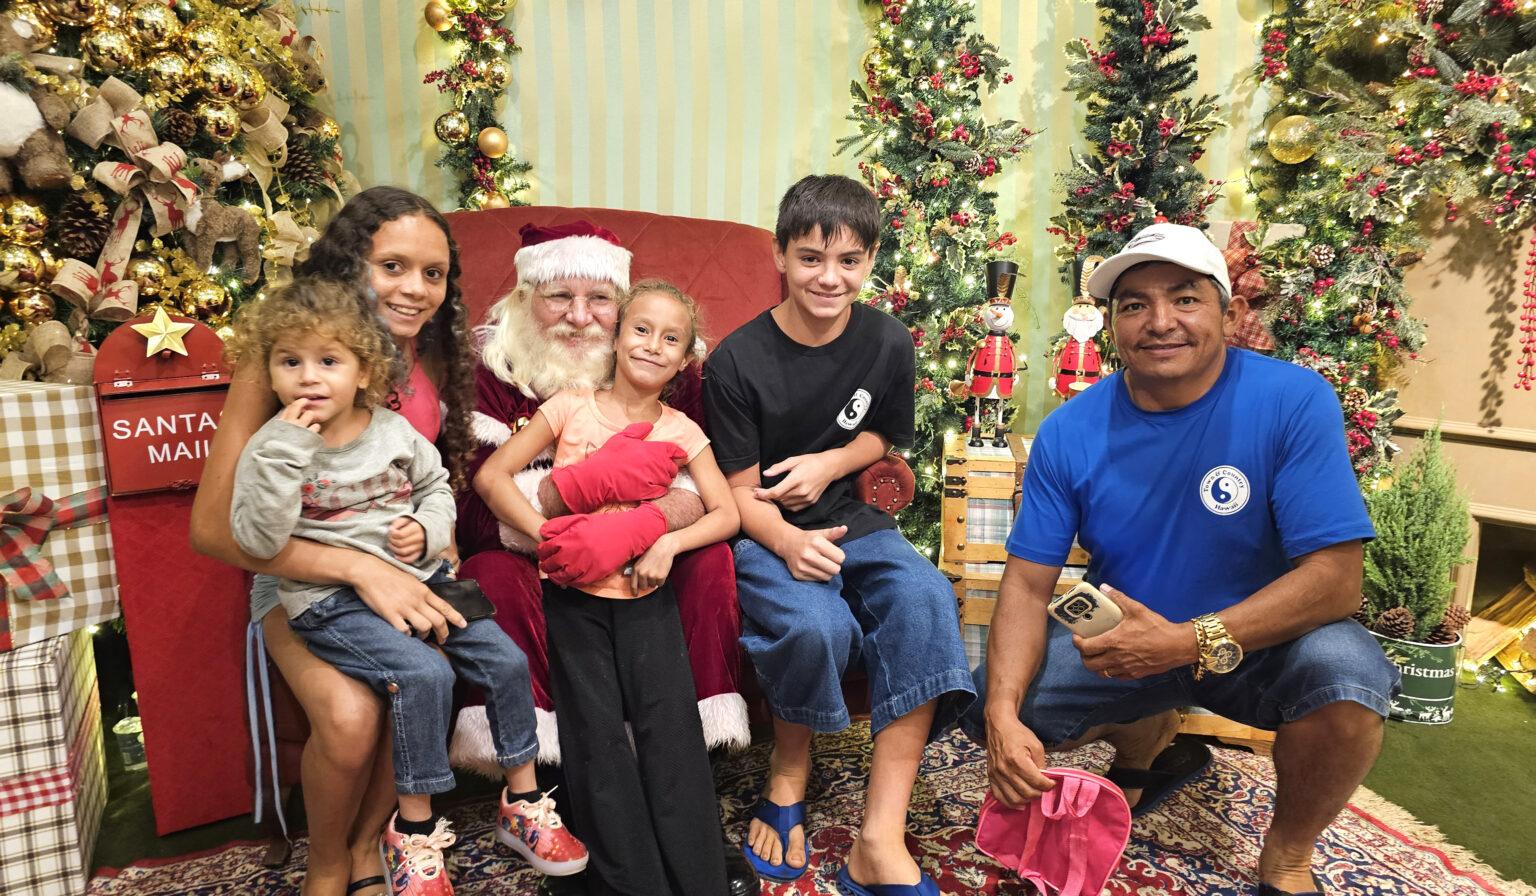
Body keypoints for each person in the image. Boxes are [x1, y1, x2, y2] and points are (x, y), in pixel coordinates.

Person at [966, 222, 1400, 896]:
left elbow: (1338, 583)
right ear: (1112, 324)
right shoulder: (1069, 432)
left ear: (1228, 313)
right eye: (1134, 304)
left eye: (1184, 299)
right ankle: (1147, 741)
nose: (1159, 322)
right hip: (1125, 643)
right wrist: (1001, 711)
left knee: (1348, 678)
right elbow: (1026, 586)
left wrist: (1182, 642)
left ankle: (1287, 857)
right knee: (997, 706)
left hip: (1260, 644)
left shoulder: (1292, 401)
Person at [224, 278, 588, 894]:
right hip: (328, 601)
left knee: (504, 658)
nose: (309, 378)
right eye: (290, 362)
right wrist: (284, 453)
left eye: (328, 362)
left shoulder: (392, 432)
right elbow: (256, 539)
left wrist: (424, 529)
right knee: (427, 675)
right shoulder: (271, 447)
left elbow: (437, 487)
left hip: (420, 578)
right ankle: (412, 834)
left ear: (363, 370)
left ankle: (523, 802)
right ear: (270, 371)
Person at [190, 187, 481, 896]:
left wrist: (435, 544)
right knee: (351, 717)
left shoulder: (432, 359)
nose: (415, 289)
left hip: (401, 569)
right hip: (298, 578)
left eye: (433, 274)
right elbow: (211, 528)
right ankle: (325, 865)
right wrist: (356, 568)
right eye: (393, 266)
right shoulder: (291, 360)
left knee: (431, 680)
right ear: (351, 264)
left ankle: (364, 846)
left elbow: (428, 480)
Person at [452, 222, 756, 893]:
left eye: (599, 300)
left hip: (646, 572)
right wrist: (562, 522)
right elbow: (481, 495)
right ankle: (587, 834)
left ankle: (693, 849)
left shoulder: (680, 402)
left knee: (674, 681)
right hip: (553, 574)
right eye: (561, 296)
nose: (581, 316)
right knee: (586, 709)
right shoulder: (511, 380)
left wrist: (655, 531)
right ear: (528, 294)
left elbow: (713, 503)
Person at [704, 174, 975, 895]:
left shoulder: (888, 341)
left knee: (924, 597)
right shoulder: (734, 362)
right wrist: (788, 544)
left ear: (872, 259)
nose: (830, 278)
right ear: (780, 256)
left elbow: (885, 432)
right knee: (812, 625)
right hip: (764, 531)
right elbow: (734, 494)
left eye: (849, 260)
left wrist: (832, 460)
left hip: (857, 523)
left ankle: (879, 837)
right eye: (811, 258)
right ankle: (789, 773)